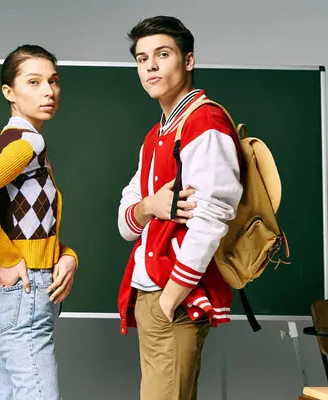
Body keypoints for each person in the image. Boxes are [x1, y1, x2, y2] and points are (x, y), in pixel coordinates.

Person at [117, 16, 243, 400]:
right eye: (142, 58)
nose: (150, 66)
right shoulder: (156, 134)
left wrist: (171, 297)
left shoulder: (204, 121)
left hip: (176, 297)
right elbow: (126, 222)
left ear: (188, 61)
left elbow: (211, 217)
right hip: (148, 293)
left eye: (162, 54)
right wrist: (149, 207)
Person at [0, 44, 78, 400]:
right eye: (34, 82)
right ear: (9, 92)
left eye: (53, 81)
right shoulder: (28, 142)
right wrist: (10, 257)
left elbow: (30, 225)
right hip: (28, 293)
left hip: (26, 292)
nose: (48, 91)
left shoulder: (22, 141)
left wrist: (68, 255)